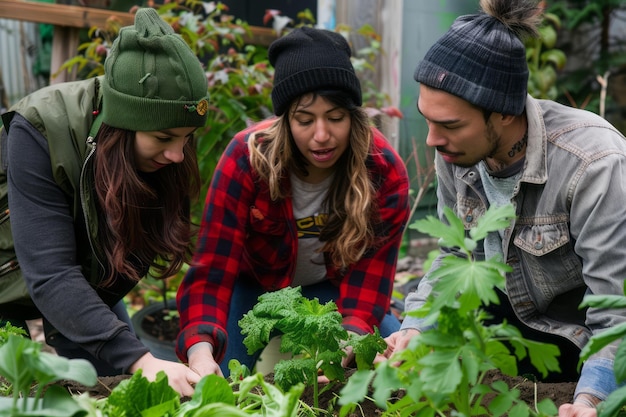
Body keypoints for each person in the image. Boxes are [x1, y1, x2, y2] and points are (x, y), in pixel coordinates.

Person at [378, 0, 626, 416]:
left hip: (576, 343)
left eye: (451, 125)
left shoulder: (594, 165)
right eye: (428, 120)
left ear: (506, 113)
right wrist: (417, 327)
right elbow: (457, 255)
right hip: (503, 328)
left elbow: (616, 309)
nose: (431, 141)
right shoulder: (457, 151)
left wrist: (590, 399)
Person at [176, 26, 410, 377]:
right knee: (215, 381)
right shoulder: (247, 159)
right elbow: (212, 270)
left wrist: (349, 340)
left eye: (335, 118)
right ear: (285, 119)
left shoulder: (382, 169)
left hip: (333, 292)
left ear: (353, 116)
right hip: (253, 291)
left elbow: (370, 278)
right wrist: (200, 353)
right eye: (305, 120)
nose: (321, 135)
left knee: (398, 369)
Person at [0, 8, 209, 396]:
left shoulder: (162, 152)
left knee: (112, 392)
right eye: (164, 138)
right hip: (8, 274)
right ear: (122, 124)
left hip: (82, 285)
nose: (179, 155)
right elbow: (50, 273)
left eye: (186, 138)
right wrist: (142, 359)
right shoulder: (39, 129)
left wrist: (127, 353)